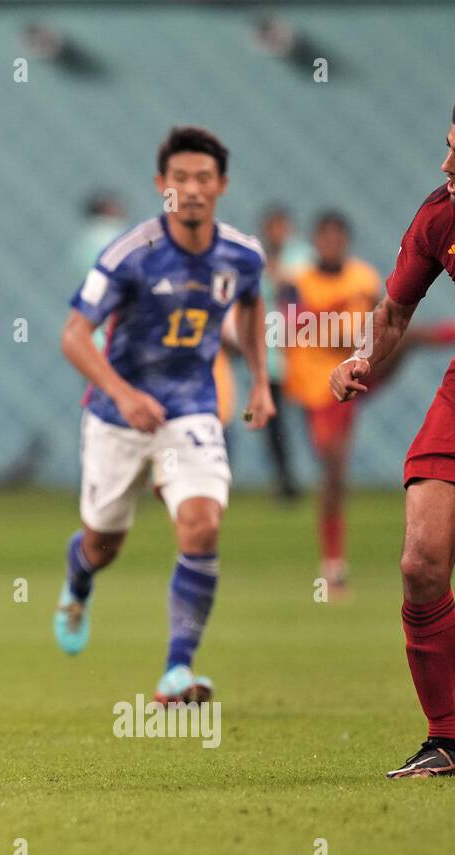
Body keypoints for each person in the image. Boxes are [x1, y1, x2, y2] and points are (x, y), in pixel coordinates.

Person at [330, 87, 455, 778]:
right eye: (448, 146)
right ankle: (447, 742)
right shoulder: (443, 214)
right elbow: (395, 308)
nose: (447, 164)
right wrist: (361, 358)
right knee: (419, 563)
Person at [54, 126, 275, 704]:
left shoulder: (243, 255)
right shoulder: (129, 255)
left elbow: (251, 310)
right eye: (180, 179)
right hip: (116, 415)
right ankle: (77, 584)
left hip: (191, 409)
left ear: (221, 185)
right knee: (104, 544)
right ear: (162, 185)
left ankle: (177, 672)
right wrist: (123, 393)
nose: (192, 189)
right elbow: (75, 336)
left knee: (202, 523)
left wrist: (260, 380)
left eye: (204, 178)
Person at [284, 212, 380, 593]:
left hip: (351, 380)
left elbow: (379, 326)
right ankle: (333, 561)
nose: (330, 244)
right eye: (324, 238)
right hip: (313, 384)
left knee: (335, 469)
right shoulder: (297, 281)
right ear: (315, 242)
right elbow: (293, 326)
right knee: (331, 468)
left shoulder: (364, 279)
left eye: (337, 237)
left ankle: (334, 564)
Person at [259, 205, 313, 499]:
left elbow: (300, 287)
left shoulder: (302, 256)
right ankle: (285, 480)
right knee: (273, 419)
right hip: (272, 355)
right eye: (272, 227)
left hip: (303, 353)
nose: (277, 233)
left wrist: (277, 274)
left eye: (281, 226)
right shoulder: (258, 259)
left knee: (311, 414)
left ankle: (324, 469)